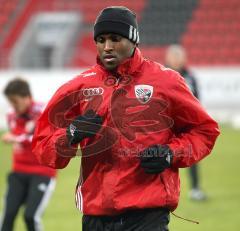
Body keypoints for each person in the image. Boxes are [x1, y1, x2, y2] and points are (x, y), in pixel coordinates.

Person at [32, 6, 220, 231]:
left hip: (148, 214)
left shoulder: (166, 81)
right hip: (96, 217)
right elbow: (43, 145)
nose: (107, 46)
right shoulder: (78, 87)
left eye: (115, 38)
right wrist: (70, 134)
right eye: (100, 40)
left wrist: (171, 153)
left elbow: (204, 130)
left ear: (133, 39)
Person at [0, 78, 56, 231]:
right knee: (8, 215)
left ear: (27, 97)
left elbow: (43, 138)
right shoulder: (12, 114)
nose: (13, 106)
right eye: (10, 101)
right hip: (18, 171)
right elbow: (18, 134)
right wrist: (17, 138)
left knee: (31, 216)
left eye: (15, 101)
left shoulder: (43, 111)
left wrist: (16, 138)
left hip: (42, 172)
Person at [165, 44, 207, 201]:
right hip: (167, 125)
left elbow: (197, 101)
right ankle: (165, 191)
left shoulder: (190, 77)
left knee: (191, 155)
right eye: (174, 56)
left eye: (179, 56)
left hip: (185, 125)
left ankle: (195, 189)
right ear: (168, 58)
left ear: (184, 58)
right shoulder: (160, 74)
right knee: (164, 156)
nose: (176, 60)